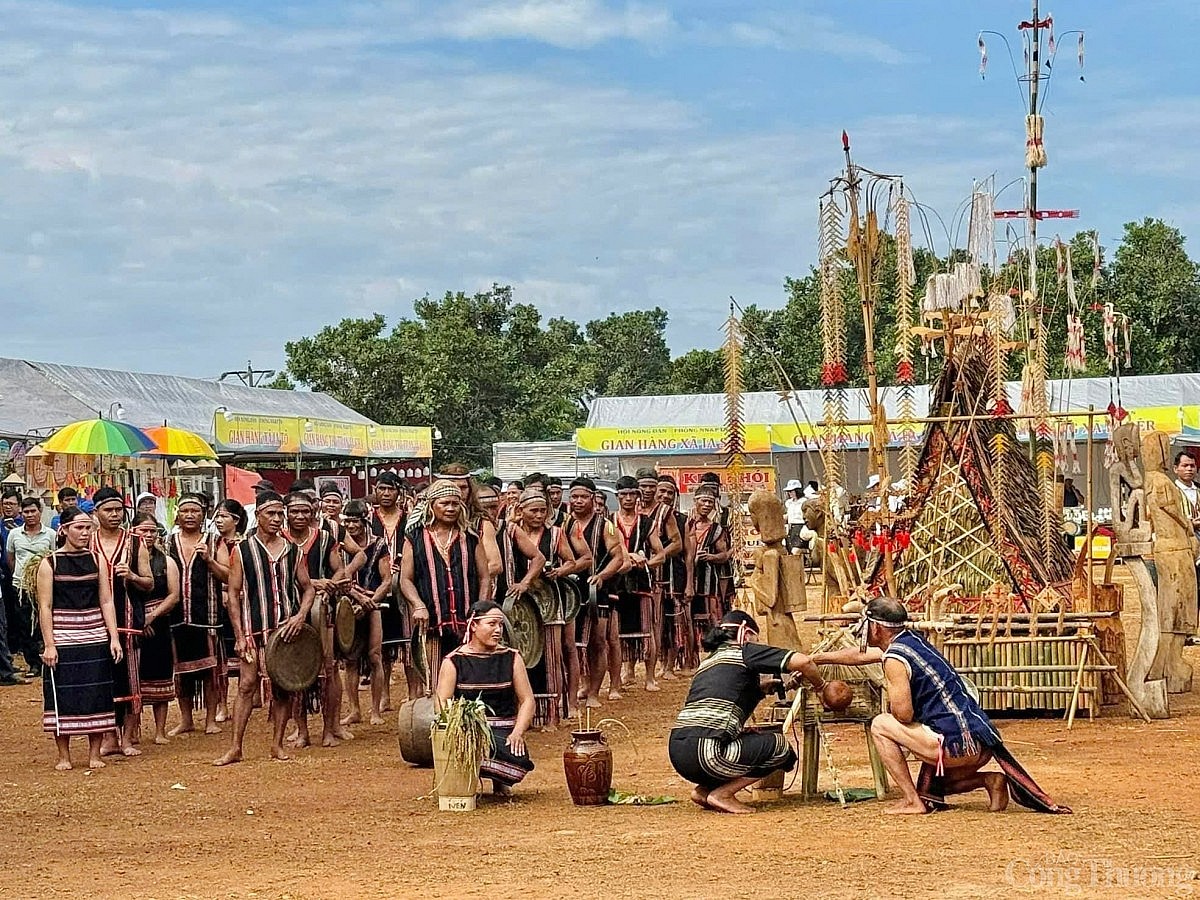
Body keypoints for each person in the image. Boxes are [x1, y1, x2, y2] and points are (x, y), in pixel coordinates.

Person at [815, 597, 1071, 815]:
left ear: (876, 629)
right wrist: (816, 658)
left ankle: (913, 801)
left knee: (882, 724)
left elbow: (903, 714)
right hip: (983, 745)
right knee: (934, 777)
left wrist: (901, 712)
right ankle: (990, 780)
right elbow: (861, 655)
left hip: (955, 746)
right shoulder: (912, 641)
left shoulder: (895, 659)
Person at [668, 610, 828, 814]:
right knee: (778, 746)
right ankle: (722, 794)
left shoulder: (708, 662)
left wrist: (760, 690)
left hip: (679, 752)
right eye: (755, 638)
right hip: (707, 753)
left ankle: (704, 791)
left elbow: (727, 693)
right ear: (745, 633)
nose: (755, 643)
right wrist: (821, 686)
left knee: (743, 741)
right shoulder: (744, 650)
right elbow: (804, 662)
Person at [214, 491, 317, 765]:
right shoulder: (242, 550)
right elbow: (233, 594)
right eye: (270, 514)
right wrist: (238, 635)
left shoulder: (293, 551)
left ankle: (277, 744)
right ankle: (236, 747)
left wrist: (300, 616)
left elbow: (308, 589)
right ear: (258, 515)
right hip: (253, 630)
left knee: (283, 688)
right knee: (246, 685)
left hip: (284, 632)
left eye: (279, 515)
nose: (276, 519)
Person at [36, 507, 122, 771]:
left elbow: (107, 600)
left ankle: (95, 753)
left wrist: (114, 637)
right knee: (62, 695)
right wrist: (50, 644)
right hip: (63, 636)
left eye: (88, 528)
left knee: (97, 693)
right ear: (63, 530)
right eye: (79, 527)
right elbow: (45, 606)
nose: (85, 533)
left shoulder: (98, 561)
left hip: (95, 635)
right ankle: (65, 755)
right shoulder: (49, 563)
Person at [435, 600, 535, 795]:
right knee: (470, 751)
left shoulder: (512, 657)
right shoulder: (454, 661)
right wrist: (461, 731)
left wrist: (517, 733)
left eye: (500, 624)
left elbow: (527, 700)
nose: (498, 630)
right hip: (468, 733)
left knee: (518, 761)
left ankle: (496, 776)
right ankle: (467, 776)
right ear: (473, 625)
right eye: (492, 624)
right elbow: (441, 706)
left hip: (502, 732)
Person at [398, 480, 489, 688]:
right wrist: (418, 605)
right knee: (436, 680)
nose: (450, 508)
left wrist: (481, 608)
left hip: (467, 623)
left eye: (455, 504)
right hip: (431, 622)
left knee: (470, 679)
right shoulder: (415, 538)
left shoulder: (471, 538)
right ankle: (441, 718)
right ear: (431, 505)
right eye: (445, 503)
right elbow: (405, 579)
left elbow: (484, 577)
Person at [283, 490, 355, 748]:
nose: (300, 516)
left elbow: (340, 571)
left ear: (312, 512)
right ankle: (301, 730)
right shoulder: (278, 541)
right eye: (294, 511)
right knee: (295, 670)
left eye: (305, 511)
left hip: (323, 612)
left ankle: (329, 728)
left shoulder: (324, 539)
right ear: (286, 513)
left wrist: (332, 586)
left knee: (329, 668)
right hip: (291, 611)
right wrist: (314, 583)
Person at [514, 488, 590, 718]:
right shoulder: (512, 533)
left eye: (542, 511)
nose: (538, 515)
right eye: (533, 511)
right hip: (523, 602)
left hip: (551, 598)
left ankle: (562, 705)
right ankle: (527, 706)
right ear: (521, 511)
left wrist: (561, 571)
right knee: (525, 651)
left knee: (558, 650)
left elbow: (571, 561)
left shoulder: (556, 533)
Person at [90, 487, 153, 757]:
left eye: (118, 510)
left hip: (128, 618)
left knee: (130, 679)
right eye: (108, 510)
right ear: (96, 513)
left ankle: (127, 737)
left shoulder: (135, 542)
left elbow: (149, 583)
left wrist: (132, 577)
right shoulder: (86, 541)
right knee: (101, 679)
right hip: (93, 621)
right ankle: (108, 736)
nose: (115, 515)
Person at [167, 494, 225, 735]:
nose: (190, 515)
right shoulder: (167, 542)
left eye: (196, 511)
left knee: (210, 671)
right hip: (177, 617)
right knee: (182, 671)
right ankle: (186, 718)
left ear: (204, 515)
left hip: (207, 616)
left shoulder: (215, 541)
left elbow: (228, 575)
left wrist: (209, 560)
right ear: (178, 515)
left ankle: (211, 719)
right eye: (185, 511)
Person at [567, 477, 627, 707]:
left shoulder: (606, 525)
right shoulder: (564, 524)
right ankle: (581, 686)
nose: (578, 501)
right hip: (571, 592)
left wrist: (601, 576)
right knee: (573, 643)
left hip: (597, 592)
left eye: (583, 497)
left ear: (593, 498)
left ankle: (594, 692)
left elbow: (618, 557)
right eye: (574, 497)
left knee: (598, 641)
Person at [129, 513, 180, 746]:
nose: (148, 536)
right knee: (133, 679)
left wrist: (151, 617)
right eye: (143, 530)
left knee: (160, 677)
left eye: (152, 531)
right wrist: (139, 620)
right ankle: (132, 732)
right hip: (131, 623)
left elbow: (174, 595)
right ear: (133, 531)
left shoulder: (166, 561)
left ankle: (160, 731)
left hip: (159, 623)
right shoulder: (125, 560)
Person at [340, 500, 391, 725]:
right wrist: (355, 599)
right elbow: (339, 577)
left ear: (365, 522)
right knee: (350, 660)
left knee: (374, 657)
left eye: (355, 521)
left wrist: (371, 601)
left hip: (373, 605)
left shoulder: (379, 545)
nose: (351, 526)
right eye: (348, 522)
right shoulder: (340, 547)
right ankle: (354, 709)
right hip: (346, 605)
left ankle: (375, 711)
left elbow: (387, 580)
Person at [613, 475, 662, 692]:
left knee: (647, 629)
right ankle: (624, 673)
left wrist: (645, 563)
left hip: (641, 581)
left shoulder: (647, 523)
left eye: (632, 494)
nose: (628, 498)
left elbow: (660, 554)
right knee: (616, 632)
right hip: (615, 582)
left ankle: (650, 677)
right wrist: (627, 558)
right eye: (624, 495)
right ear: (617, 497)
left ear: (638, 496)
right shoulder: (609, 522)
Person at [7, 495, 57, 680]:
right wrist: (22, 576)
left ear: (40, 512)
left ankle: (47, 658)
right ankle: (33, 663)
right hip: (20, 587)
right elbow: (10, 559)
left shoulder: (51, 534)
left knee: (43, 624)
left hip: (44, 588)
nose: (29, 515)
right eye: (26, 512)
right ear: (22, 512)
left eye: (33, 511)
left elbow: (53, 557)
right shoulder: (14, 535)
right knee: (24, 626)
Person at [210, 499, 247, 723]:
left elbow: (233, 574)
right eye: (217, 517)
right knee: (221, 657)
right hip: (219, 602)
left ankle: (254, 696)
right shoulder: (213, 542)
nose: (219, 521)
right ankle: (223, 705)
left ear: (236, 520)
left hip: (241, 600)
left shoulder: (245, 543)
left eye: (223, 516)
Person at [653, 475, 692, 677]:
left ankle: (669, 666)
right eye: (662, 491)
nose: (666, 495)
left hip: (673, 576)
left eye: (670, 492)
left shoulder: (681, 519)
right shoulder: (643, 515)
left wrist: (689, 584)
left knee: (674, 622)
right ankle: (648, 665)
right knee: (653, 622)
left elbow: (687, 553)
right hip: (650, 577)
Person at [687, 486, 734, 635]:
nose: (707, 505)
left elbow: (724, 555)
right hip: (686, 577)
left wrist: (711, 557)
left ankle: (715, 642)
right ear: (695, 501)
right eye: (704, 501)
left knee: (713, 611)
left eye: (710, 502)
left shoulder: (716, 529)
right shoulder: (685, 523)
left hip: (708, 578)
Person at [783, 479, 806, 554]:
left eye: (791, 491)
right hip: (790, 528)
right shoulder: (789, 503)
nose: (789, 493)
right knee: (789, 549)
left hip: (801, 527)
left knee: (796, 550)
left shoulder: (804, 502)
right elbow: (788, 516)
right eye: (788, 492)